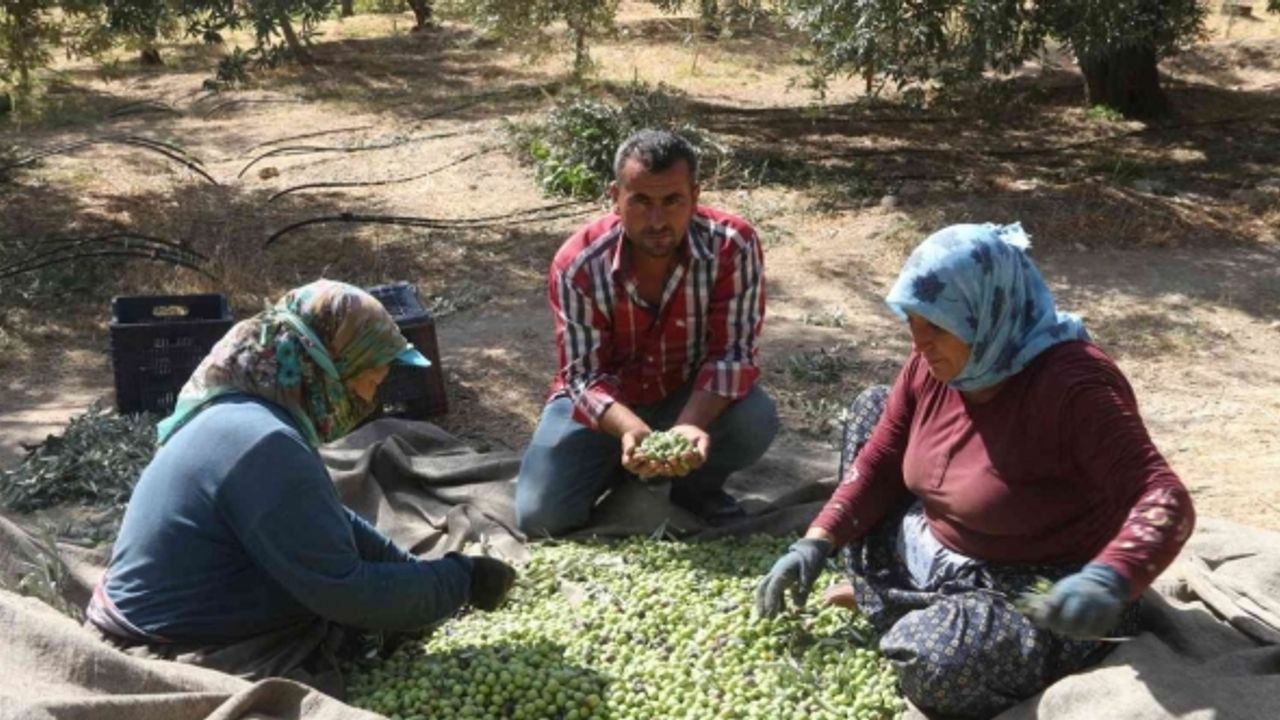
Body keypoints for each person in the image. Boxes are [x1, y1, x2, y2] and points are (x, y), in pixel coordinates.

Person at [755, 223, 1195, 718]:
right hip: (942, 550)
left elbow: (1165, 499)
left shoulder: (1074, 386)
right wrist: (817, 540)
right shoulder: (935, 365)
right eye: (913, 323)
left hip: (1042, 588)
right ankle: (911, 601)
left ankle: (917, 611)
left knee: (933, 663)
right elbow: (879, 459)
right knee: (872, 408)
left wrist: (1111, 578)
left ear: (985, 314)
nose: (919, 345)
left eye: (937, 327)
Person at [87, 280, 516, 690]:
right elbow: (347, 593)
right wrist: (459, 581)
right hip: (163, 644)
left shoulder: (247, 414)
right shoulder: (265, 445)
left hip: (172, 613)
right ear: (328, 364)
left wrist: (411, 570)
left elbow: (326, 519)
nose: (375, 393)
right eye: (372, 373)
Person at [515, 129, 778, 536]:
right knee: (540, 518)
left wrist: (689, 427)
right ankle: (629, 474)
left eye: (672, 201)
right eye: (641, 201)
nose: (657, 221)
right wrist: (630, 430)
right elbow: (583, 376)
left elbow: (733, 355)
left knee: (754, 419)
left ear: (694, 195)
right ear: (615, 197)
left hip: (685, 393)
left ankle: (693, 486)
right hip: (605, 408)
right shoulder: (579, 264)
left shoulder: (732, 246)